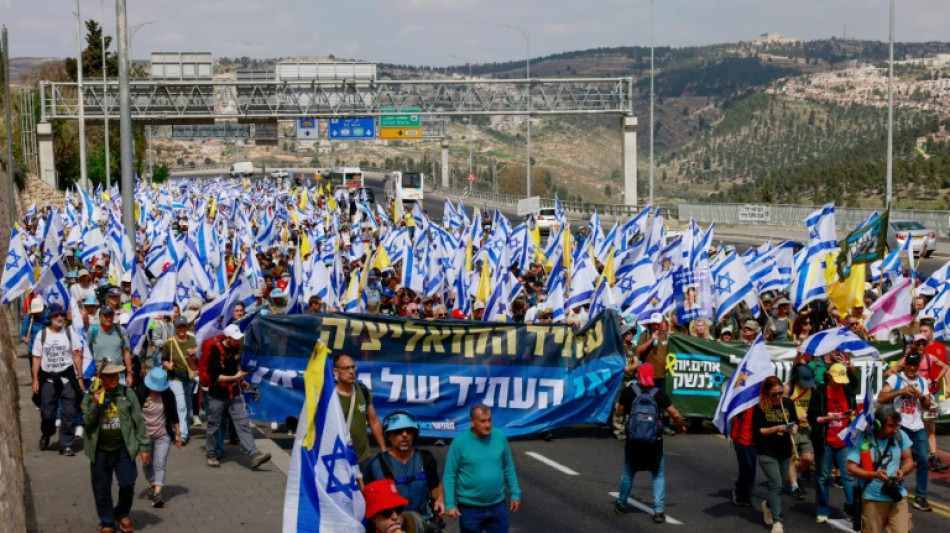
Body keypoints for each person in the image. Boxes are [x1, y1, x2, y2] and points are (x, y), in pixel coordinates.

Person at [81, 362, 150, 533]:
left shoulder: (127, 393)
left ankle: (122, 513)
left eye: (116, 375)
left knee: (128, 483)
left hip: (123, 449)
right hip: (100, 451)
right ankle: (107, 521)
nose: (114, 378)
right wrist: (95, 405)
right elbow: (87, 423)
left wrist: (144, 447)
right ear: (100, 377)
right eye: (110, 375)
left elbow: (138, 421)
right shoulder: (90, 396)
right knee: (101, 488)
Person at [614, 363, 686, 524]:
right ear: (652, 375)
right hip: (655, 442)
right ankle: (658, 510)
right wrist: (681, 425)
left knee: (629, 472)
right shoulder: (659, 394)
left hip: (633, 441)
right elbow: (674, 413)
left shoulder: (629, 391)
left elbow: (619, 412)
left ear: (638, 375)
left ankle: (621, 503)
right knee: (658, 474)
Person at [443, 403, 521, 533]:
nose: (487, 425)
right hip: (470, 509)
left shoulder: (499, 437)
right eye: (482, 421)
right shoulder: (459, 443)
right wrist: (450, 504)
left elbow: (508, 467)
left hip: (498, 506)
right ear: (472, 422)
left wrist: (515, 493)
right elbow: (449, 475)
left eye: (489, 420)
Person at [204, 324, 272, 469]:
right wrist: (235, 377)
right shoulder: (216, 351)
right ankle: (211, 454)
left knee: (243, 424)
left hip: (234, 394)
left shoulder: (235, 349)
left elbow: (236, 366)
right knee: (214, 426)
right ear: (228, 339)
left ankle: (254, 454)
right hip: (217, 396)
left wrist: (241, 380)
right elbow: (216, 377)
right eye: (235, 339)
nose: (238, 341)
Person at [876, 352, 933, 512]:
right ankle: (894, 489)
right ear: (905, 364)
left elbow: (928, 406)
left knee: (922, 460)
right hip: (900, 426)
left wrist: (921, 396)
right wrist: (900, 392)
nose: (912, 368)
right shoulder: (896, 378)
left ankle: (920, 496)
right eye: (910, 364)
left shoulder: (922, 381)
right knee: (898, 459)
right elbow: (880, 398)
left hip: (917, 425)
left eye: (915, 365)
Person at [363, 411, 445, 520]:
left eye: (409, 431)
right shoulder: (376, 465)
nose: (405, 435)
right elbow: (368, 501)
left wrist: (439, 500)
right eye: (398, 431)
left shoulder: (426, 458)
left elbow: (435, 485)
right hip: (392, 525)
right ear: (389, 436)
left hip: (422, 523)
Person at [846, 405, 915, 533]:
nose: (895, 430)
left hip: (897, 495)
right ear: (878, 424)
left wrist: (903, 471)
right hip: (873, 498)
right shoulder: (863, 437)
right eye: (890, 426)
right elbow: (850, 469)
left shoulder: (900, 436)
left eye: (896, 426)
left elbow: (908, 460)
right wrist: (875, 475)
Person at [808, 362, 858, 523]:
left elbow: (853, 410)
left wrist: (851, 414)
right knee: (823, 477)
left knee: (849, 476)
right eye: (836, 379)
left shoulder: (848, 391)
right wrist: (828, 418)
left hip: (844, 440)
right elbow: (812, 418)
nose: (839, 383)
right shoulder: (820, 393)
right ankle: (822, 510)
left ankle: (852, 509)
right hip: (825, 441)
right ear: (829, 376)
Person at [31, 303, 83, 455]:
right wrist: (35, 379)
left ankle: (65, 444)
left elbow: (76, 355)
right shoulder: (42, 335)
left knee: (69, 412)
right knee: (47, 413)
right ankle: (47, 433)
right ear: (50, 317)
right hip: (48, 379)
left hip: (67, 377)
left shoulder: (69, 333)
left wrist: (79, 377)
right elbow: (36, 358)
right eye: (56, 315)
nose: (59, 317)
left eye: (61, 315)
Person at [753, 376, 800, 533]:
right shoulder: (760, 407)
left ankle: (768, 504)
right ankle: (777, 521)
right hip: (767, 451)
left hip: (784, 450)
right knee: (776, 484)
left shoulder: (788, 403)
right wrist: (775, 428)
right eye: (774, 394)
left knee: (779, 487)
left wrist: (793, 429)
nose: (778, 397)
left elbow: (795, 422)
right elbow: (760, 431)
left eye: (780, 393)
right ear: (767, 393)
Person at [135, 367, 182, 509]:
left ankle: (157, 494)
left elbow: (174, 416)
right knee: (146, 464)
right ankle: (154, 484)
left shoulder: (168, 395)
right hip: (145, 437)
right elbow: (134, 417)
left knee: (160, 464)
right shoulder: (140, 392)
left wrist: (178, 434)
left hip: (163, 435)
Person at [333, 354, 387, 465]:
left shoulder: (362, 390)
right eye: (346, 368)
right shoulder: (329, 396)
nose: (351, 371)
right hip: (337, 459)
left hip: (363, 459)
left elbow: (374, 421)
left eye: (353, 367)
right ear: (336, 372)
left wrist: (383, 449)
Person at [161, 316, 197, 445]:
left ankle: (183, 426)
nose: (182, 329)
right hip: (174, 376)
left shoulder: (193, 340)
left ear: (187, 327)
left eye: (184, 326)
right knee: (181, 405)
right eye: (179, 327)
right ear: (175, 328)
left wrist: (194, 353)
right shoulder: (169, 343)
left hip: (189, 376)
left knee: (187, 405)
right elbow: (163, 359)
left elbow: (198, 357)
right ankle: (182, 434)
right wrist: (167, 364)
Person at [784, 363, 816, 501]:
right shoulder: (789, 388)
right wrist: (796, 418)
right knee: (791, 457)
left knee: (808, 458)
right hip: (792, 427)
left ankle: (794, 476)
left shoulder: (812, 389)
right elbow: (782, 409)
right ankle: (794, 486)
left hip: (807, 428)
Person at [88, 305, 133, 386]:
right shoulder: (93, 330)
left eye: (111, 315)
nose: (109, 318)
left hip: (118, 374)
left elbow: (126, 352)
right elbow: (88, 351)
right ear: (100, 317)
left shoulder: (120, 330)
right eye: (105, 316)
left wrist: (129, 374)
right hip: (100, 374)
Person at [730, 406, 757, 508]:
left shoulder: (758, 402)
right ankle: (739, 491)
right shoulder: (741, 402)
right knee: (746, 467)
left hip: (753, 441)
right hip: (740, 440)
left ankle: (747, 496)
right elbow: (731, 417)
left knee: (752, 469)